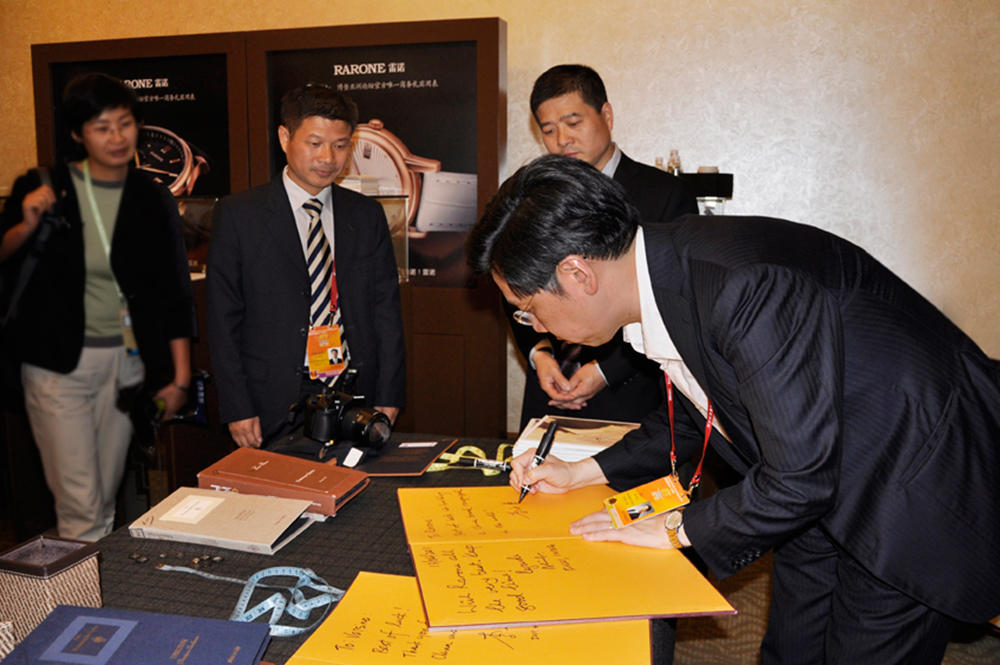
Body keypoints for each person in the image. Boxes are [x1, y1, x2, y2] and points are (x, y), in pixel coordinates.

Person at [468, 155, 1000, 664]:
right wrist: (581, 471)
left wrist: (675, 527)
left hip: (910, 482)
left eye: (530, 311)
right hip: (821, 482)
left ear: (578, 274)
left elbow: (800, 480)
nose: (537, 327)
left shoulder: (741, 288)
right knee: (792, 649)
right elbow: (698, 411)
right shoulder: (666, 272)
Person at [0, 72, 194, 541]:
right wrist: (26, 224)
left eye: (124, 124)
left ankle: (88, 579)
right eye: (102, 127)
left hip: (125, 367)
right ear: (77, 133)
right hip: (57, 367)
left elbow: (173, 288)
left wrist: (180, 378)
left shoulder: (152, 197)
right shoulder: (43, 186)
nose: (117, 137)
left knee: (102, 505)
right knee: (82, 509)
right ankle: (81, 588)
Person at [206, 84, 405, 449]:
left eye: (340, 145)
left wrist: (390, 393)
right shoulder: (239, 215)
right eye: (315, 143)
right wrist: (236, 405)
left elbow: (385, 311)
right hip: (271, 398)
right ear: (285, 137)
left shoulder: (366, 216)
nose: (328, 157)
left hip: (353, 392)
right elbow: (223, 320)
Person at [512, 65, 698, 429]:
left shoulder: (664, 194)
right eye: (548, 130)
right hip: (549, 392)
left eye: (573, 122)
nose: (562, 139)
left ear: (606, 115)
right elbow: (516, 286)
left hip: (634, 394)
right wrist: (540, 353)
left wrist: (606, 370)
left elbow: (673, 302)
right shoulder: (533, 197)